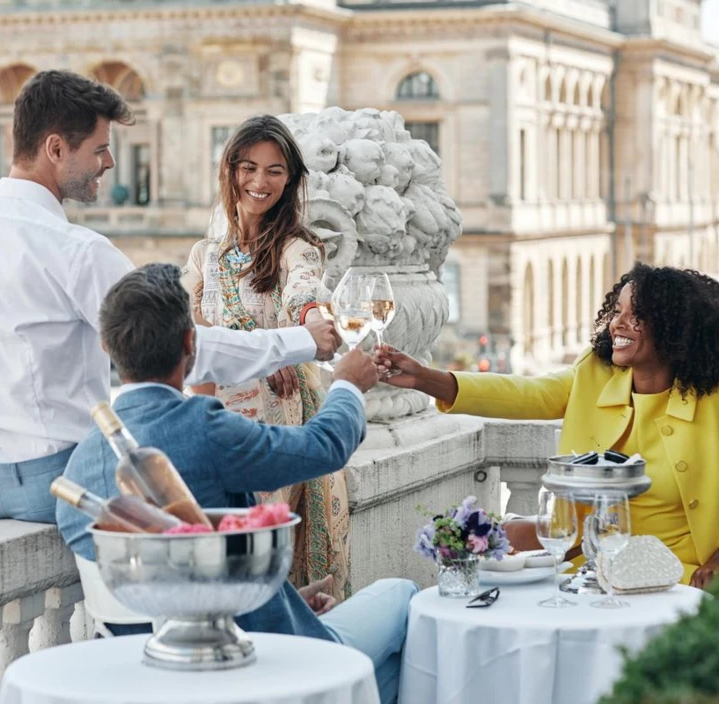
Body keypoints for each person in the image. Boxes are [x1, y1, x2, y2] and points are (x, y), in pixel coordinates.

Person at [0, 70, 340, 525]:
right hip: (56, 481)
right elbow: (184, 349)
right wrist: (304, 341)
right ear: (55, 149)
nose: (111, 162)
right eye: (99, 149)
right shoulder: (78, 251)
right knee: (212, 498)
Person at [58, 263, 417, 704]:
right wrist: (347, 386)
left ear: (105, 347)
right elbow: (323, 447)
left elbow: (177, 585)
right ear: (190, 343)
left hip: (147, 676)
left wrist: (281, 599)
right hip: (253, 664)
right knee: (403, 596)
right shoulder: (201, 428)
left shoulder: (78, 464)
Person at [377, 263, 719, 590]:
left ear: (675, 327)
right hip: (593, 564)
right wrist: (424, 378)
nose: (619, 324)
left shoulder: (711, 402)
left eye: (637, 315)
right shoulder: (594, 374)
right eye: (617, 312)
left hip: (678, 572)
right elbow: (527, 394)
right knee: (496, 544)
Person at [182, 115, 350, 599]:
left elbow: (304, 296)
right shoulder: (204, 256)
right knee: (221, 539)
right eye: (248, 167)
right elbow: (186, 328)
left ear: (291, 179)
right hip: (213, 415)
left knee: (263, 540)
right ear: (230, 170)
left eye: (275, 171)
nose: (260, 182)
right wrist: (261, 349)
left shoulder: (297, 248)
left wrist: (309, 325)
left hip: (274, 415)